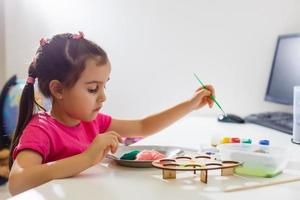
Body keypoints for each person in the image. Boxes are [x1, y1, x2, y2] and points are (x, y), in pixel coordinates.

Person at [8, 32, 215, 195]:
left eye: (104, 86)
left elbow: (143, 127)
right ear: (58, 90)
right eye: (92, 89)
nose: (103, 97)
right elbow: (17, 182)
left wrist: (190, 105)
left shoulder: (92, 122)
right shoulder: (41, 130)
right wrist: (86, 158)